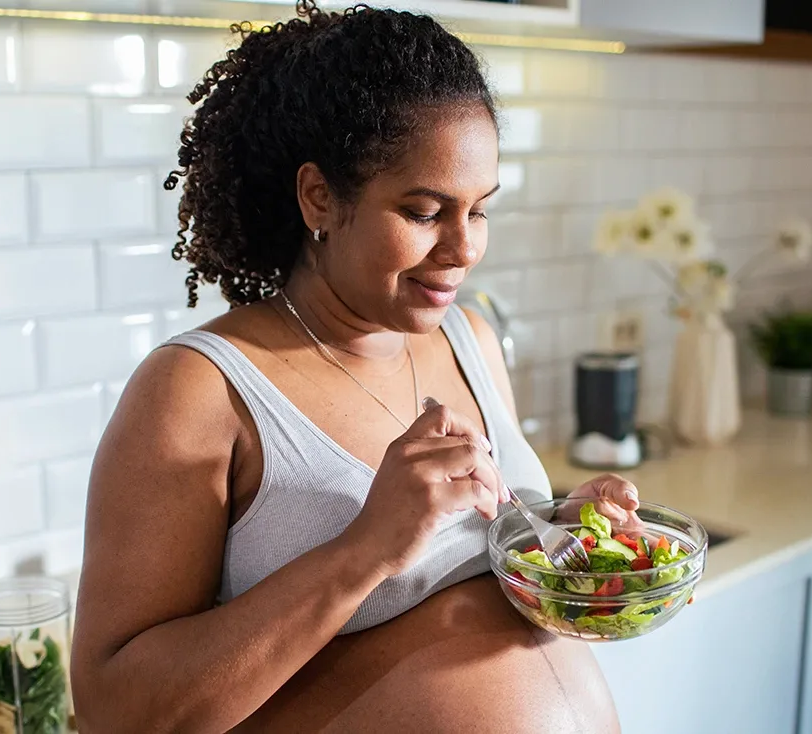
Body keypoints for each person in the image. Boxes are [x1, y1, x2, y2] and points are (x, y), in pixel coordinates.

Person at [71, 2, 642, 731]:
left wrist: (565, 531)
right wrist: (366, 549)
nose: (463, 249)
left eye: (480, 210)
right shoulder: (200, 390)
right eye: (425, 211)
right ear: (320, 196)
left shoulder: (471, 338)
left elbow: (468, 567)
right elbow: (114, 710)